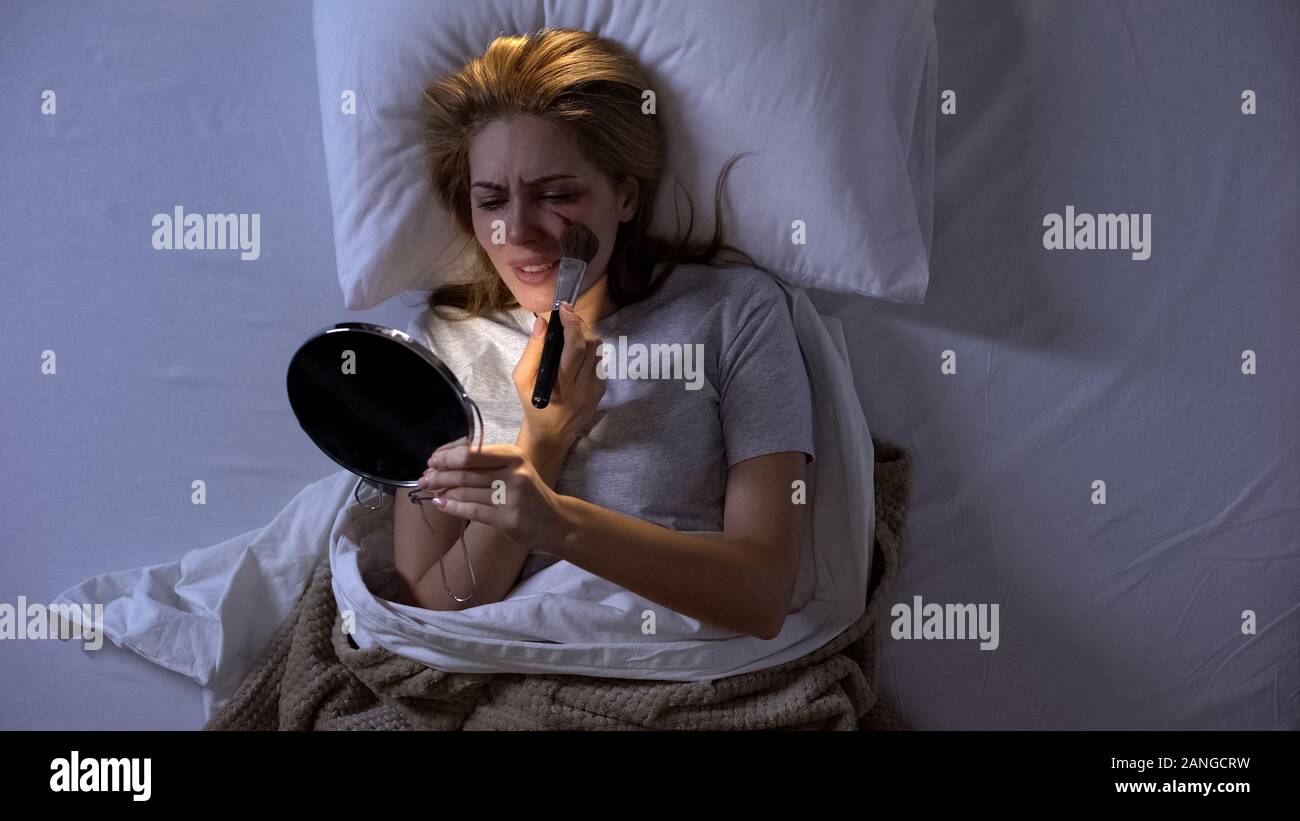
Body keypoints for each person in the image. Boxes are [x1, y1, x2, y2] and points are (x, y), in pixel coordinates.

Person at [391, 28, 814, 641]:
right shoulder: (441, 345)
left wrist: (557, 523)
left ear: (624, 196)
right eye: (491, 202)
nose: (519, 232)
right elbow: (427, 611)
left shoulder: (733, 314)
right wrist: (542, 443)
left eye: (556, 196)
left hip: (676, 673)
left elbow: (761, 596)